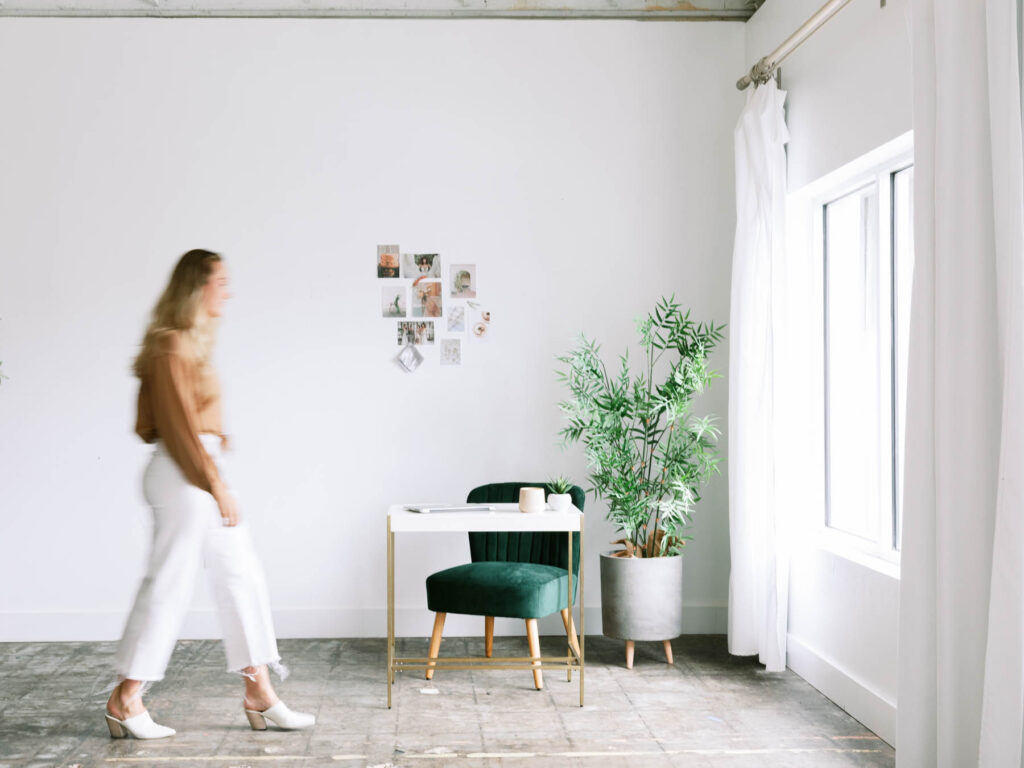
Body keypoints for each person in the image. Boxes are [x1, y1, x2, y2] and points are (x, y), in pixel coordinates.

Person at [104, 249, 314, 739]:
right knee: (170, 583)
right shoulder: (170, 346)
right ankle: (124, 699)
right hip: (185, 475)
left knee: (242, 575)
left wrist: (215, 462)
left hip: (196, 471)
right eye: (221, 280)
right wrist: (214, 482)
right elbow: (175, 428)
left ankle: (261, 693)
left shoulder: (185, 346)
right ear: (197, 286)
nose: (228, 290)